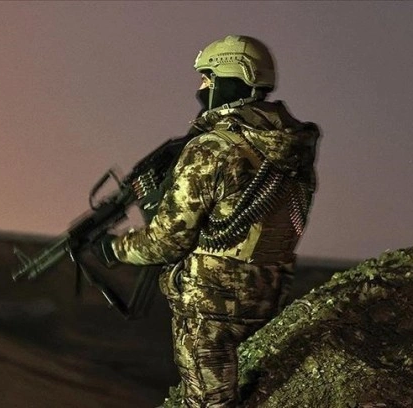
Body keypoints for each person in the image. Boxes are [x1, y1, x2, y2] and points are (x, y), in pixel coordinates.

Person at [94, 35, 320, 407]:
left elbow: (167, 241)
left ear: (230, 78)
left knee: (208, 401)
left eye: (207, 78)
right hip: (269, 288)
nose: (201, 89)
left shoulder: (212, 147)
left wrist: (116, 248)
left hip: (213, 302)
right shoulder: (292, 144)